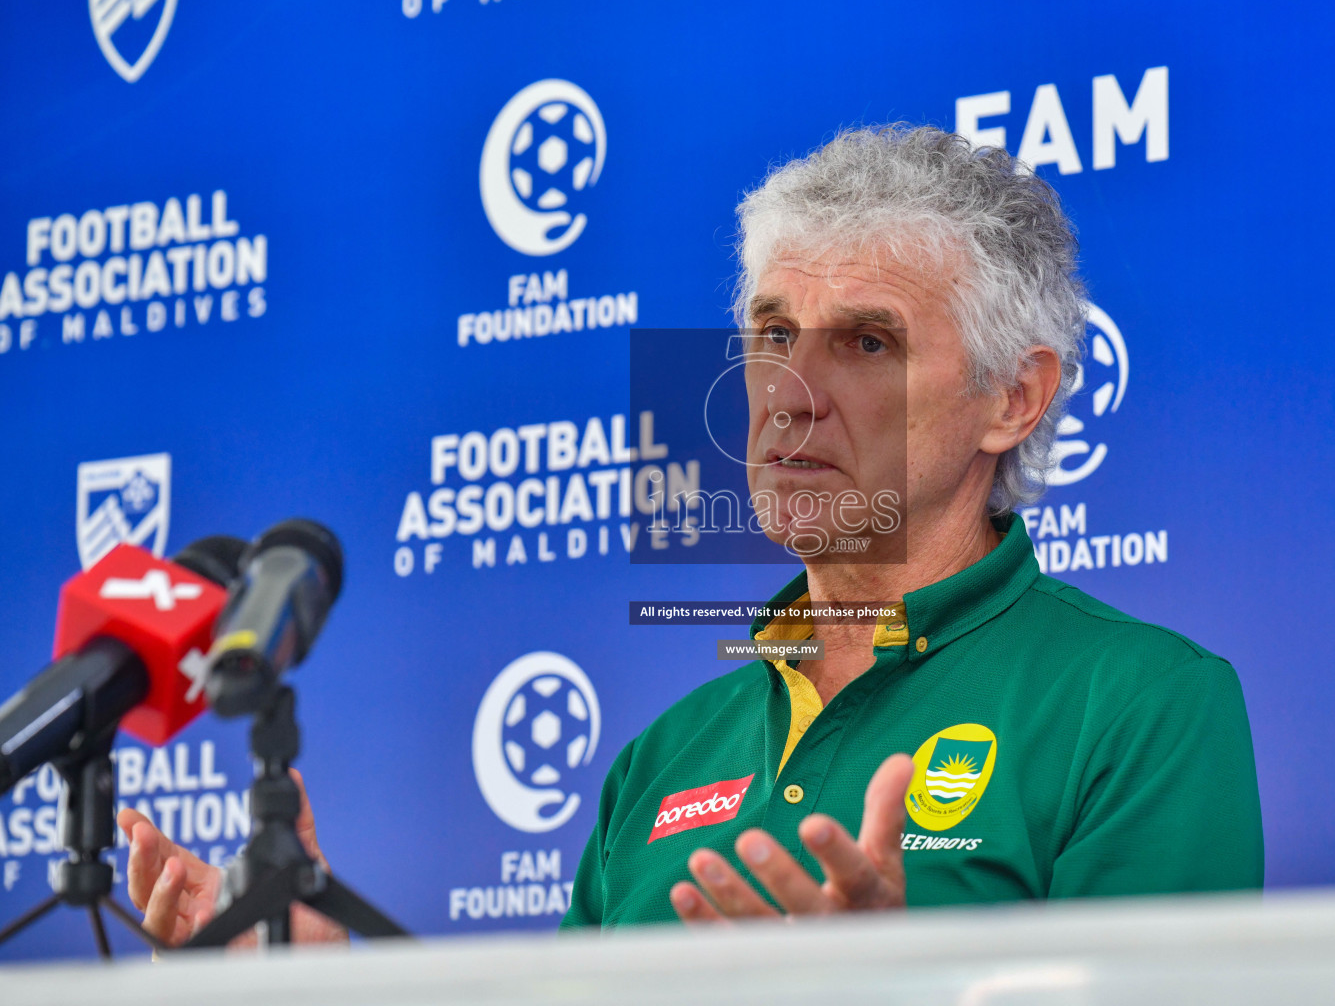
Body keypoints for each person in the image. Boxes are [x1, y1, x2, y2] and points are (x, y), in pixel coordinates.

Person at [119, 125, 1262, 942]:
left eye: (865, 343)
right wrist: (321, 971)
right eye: (772, 333)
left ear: (1014, 399)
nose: (788, 392)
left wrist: (900, 983)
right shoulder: (661, 762)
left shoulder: (1146, 706)